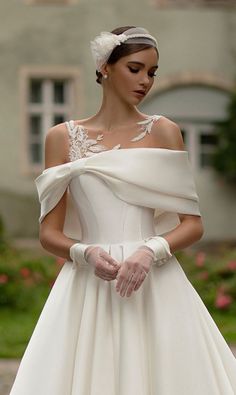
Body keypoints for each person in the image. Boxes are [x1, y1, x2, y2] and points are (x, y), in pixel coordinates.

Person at [10, 26, 236, 395]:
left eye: (152, 72)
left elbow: (192, 225)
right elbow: (48, 234)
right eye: (136, 68)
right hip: (88, 285)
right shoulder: (61, 138)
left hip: (154, 283)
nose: (146, 80)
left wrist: (149, 251)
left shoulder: (164, 131)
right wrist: (86, 254)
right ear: (104, 67)